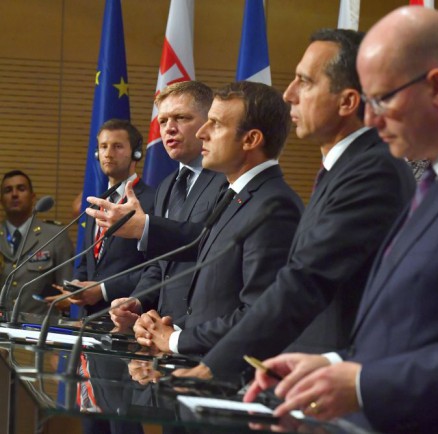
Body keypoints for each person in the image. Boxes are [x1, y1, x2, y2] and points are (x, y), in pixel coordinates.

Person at [244, 7, 438, 434]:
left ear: (437, 86)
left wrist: (362, 384)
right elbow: (417, 322)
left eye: (382, 99)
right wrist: (332, 366)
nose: (372, 119)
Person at [172, 29, 415, 381]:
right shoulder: (347, 167)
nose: (289, 94)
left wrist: (214, 366)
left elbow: (305, 283)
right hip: (309, 376)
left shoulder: (372, 170)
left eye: (304, 82)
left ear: (347, 102)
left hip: (341, 384)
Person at [129, 81, 303, 356]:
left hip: (228, 379)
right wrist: (156, 327)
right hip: (197, 365)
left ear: (250, 140)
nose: (202, 133)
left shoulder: (274, 205)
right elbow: (209, 297)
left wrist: (176, 340)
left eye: (216, 124)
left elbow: (259, 315)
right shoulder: (236, 196)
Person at [86, 81, 226, 329]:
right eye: (163, 121)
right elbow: (159, 264)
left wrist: (146, 228)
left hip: (206, 330)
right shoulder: (166, 186)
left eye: (181, 118)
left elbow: (214, 243)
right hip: (161, 331)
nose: (169, 129)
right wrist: (137, 301)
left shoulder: (226, 178)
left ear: (208, 123)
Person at [59, 119, 155, 315]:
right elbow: (88, 260)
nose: (108, 153)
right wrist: (78, 284)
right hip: (90, 317)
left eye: (117, 146)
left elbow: (156, 267)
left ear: (137, 153)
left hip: (129, 316)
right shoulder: (96, 203)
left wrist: (103, 290)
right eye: (103, 147)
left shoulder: (152, 200)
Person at [0, 170, 74, 316]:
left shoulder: (55, 236)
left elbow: (69, 293)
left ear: (32, 197)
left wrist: (68, 301)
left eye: (21, 189)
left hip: (41, 331)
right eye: (8, 190)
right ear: (1, 199)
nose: (14, 194)